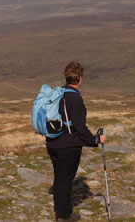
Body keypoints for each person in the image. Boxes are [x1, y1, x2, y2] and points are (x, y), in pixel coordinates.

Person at [45, 61, 105, 222]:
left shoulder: (56, 94)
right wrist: (95, 140)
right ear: (80, 79)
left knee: (59, 177)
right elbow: (80, 127)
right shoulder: (75, 99)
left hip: (52, 142)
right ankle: (64, 216)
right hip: (68, 146)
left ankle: (61, 212)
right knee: (65, 180)